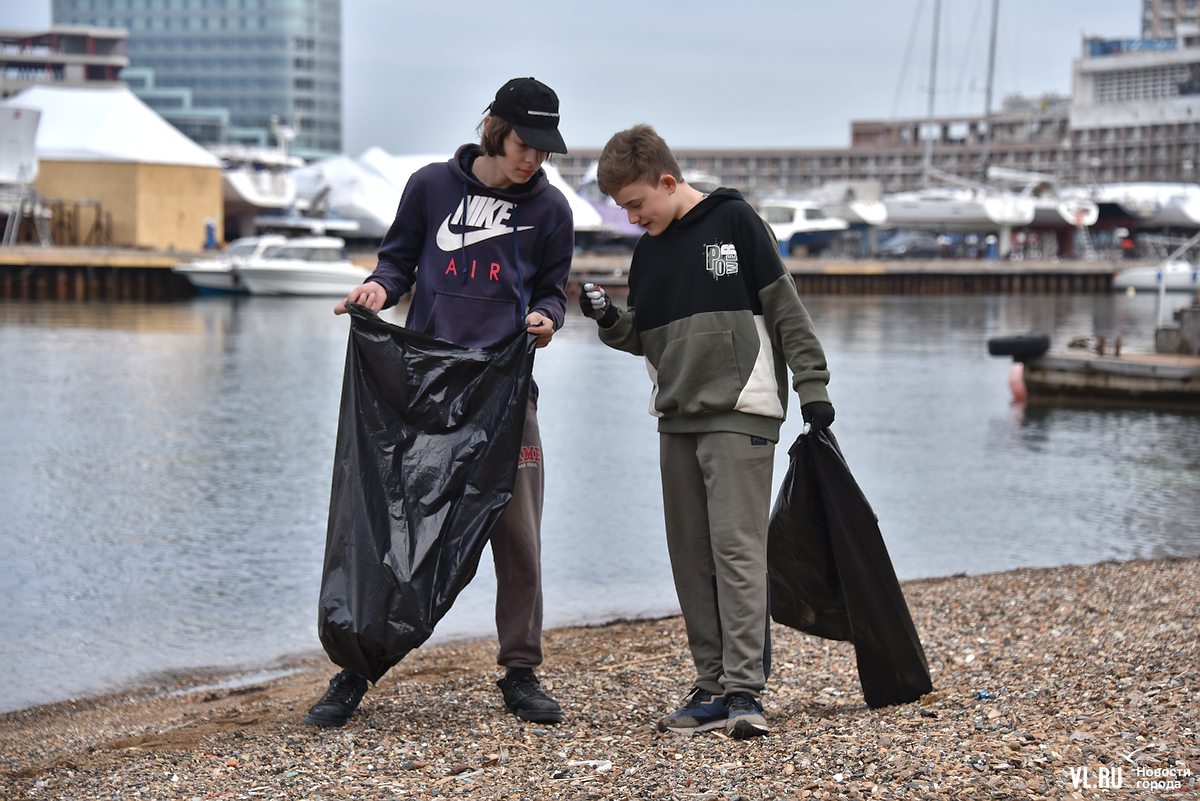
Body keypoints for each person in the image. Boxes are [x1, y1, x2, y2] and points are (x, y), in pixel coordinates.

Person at [306, 77, 574, 728]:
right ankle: (355, 667)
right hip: (421, 394)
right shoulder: (430, 187)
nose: (533, 157)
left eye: (543, 147)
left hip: (507, 397)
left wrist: (547, 318)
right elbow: (395, 264)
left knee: (519, 538)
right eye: (524, 142)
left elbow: (552, 290)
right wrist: (376, 290)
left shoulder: (551, 209)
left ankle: (521, 670)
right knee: (390, 530)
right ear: (493, 129)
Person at [579, 125, 834, 739]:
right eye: (622, 209)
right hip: (676, 419)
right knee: (691, 556)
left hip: (742, 411)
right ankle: (712, 686)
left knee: (737, 551)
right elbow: (647, 337)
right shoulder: (648, 253)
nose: (631, 218)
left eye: (636, 204)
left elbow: (787, 312)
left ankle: (745, 690)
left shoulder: (736, 223)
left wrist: (814, 388)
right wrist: (610, 318)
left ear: (668, 181)